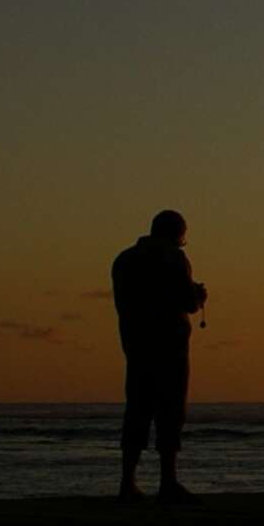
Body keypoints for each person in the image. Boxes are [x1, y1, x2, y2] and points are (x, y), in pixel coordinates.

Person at [111, 209, 206, 502]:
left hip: (136, 345)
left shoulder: (124, 259)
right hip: (169, 346)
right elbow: (187, 302)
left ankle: (127, 482)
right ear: (177, 234)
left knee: (137, 411)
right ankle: (168, 481)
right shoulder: (174, 258)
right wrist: (199, 296)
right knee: (170, 413)